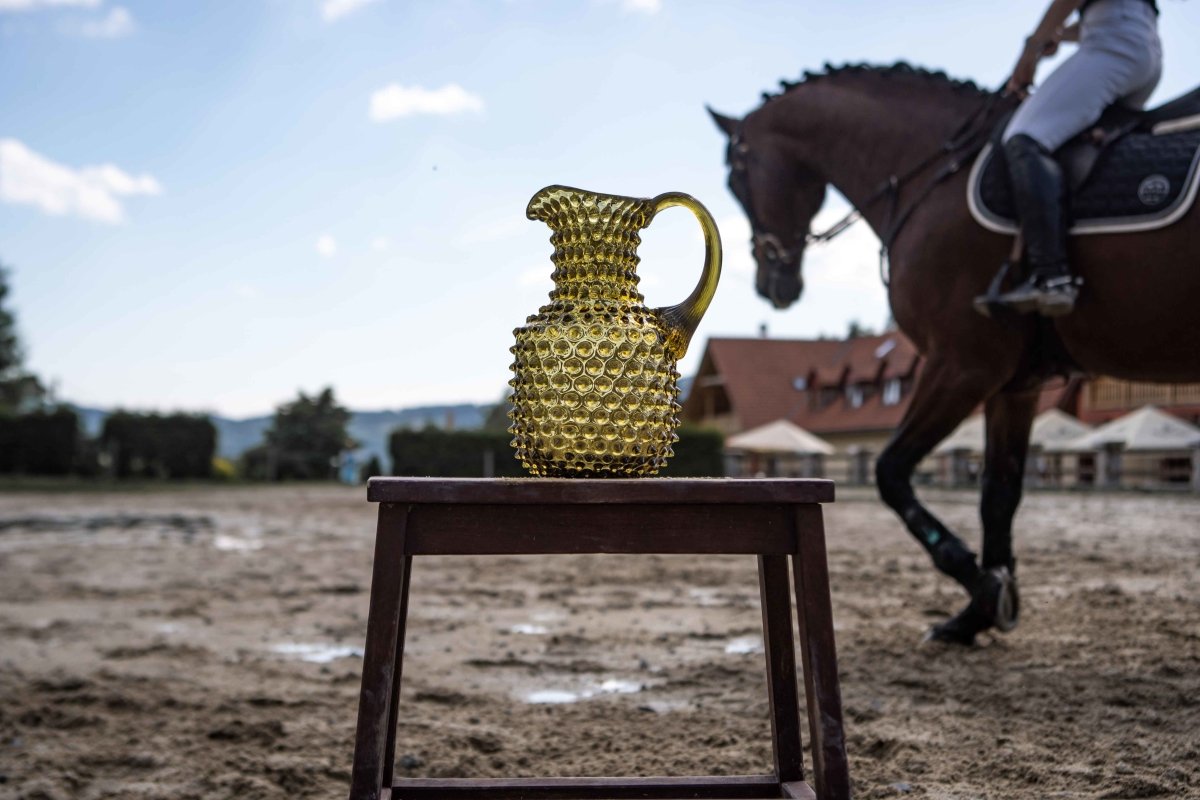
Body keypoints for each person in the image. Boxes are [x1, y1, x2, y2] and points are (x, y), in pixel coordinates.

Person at [993, 0, 1162, 316]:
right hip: (1144, 48)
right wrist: (1062, 33)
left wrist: (1031, 47)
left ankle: (1052, 276)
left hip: (1113, 44)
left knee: (1025, 137)